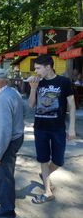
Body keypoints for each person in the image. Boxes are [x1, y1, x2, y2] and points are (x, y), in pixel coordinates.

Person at [28, 54, 76, 204]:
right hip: (40, 127)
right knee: (43, 159)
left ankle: (45, 174)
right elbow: (31, 105)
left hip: (58, 128)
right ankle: (47, 191)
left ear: (48, 67)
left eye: (38, 68)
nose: (36, 71)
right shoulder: (37, 83)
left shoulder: (64, 82)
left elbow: (72, 105)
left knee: (58, 160)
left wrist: (72, 128)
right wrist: (33, 89)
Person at [0, 68, 24, 218]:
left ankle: (7, 209)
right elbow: (25, 110)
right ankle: (4, 193)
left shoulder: (3, 99)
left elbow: (5, 130)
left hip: (7, 141)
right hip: (15, 138)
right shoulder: (12, 92)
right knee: (5, 172)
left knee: (5, 174)